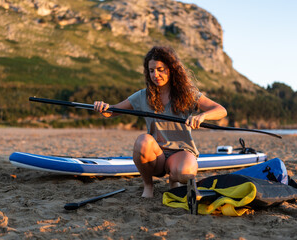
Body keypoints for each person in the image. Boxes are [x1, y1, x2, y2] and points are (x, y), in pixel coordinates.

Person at [94, 46, 227, 198]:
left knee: (186, 174)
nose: (155, 74)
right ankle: (148, 185)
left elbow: (221, 110)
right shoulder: (143, 95)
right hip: (156, 155)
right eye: (151, 71)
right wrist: (103, 107)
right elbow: (113, 111)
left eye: (160, 69)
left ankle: (173, 178)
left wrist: (202, 116)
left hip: (181, 151)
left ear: (171, 69)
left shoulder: (188, 94)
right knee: (143, 140)